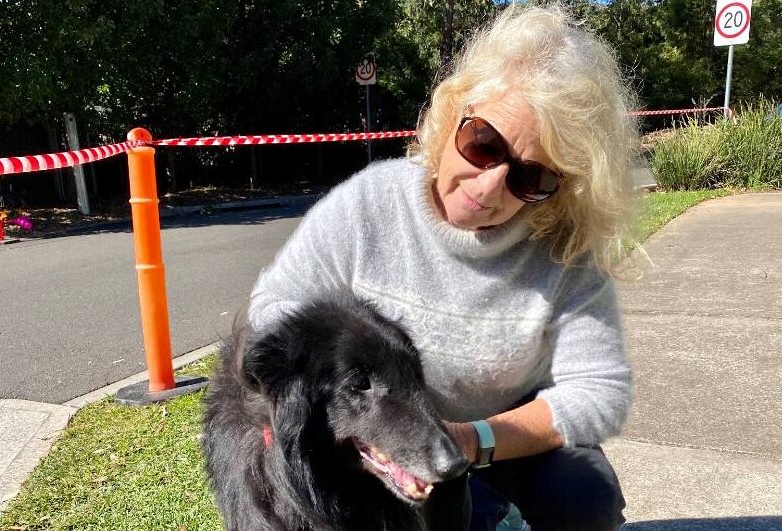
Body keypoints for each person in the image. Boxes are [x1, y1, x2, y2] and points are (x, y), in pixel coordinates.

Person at [248, 4, 640, 530]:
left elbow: (599, 393)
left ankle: (484, 496)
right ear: (452, 110)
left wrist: (474, 441)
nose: (487, 188)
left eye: (531, 177)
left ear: (562, 186)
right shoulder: (369, 203)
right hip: (383, 423)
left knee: (584, 497)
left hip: (497, 429)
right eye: (483, 144)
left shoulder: (564, 251)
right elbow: (275, 308)